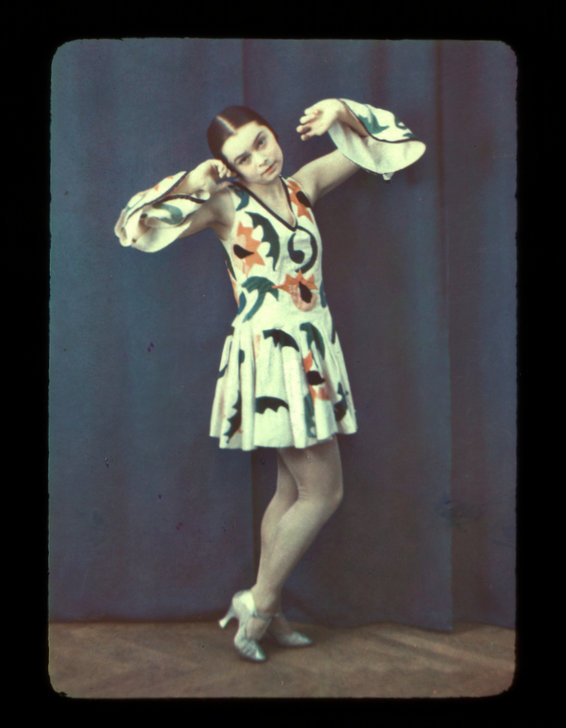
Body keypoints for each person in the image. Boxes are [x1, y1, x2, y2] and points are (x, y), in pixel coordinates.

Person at [115, 98, 425, 662]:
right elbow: (137, 227)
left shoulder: (304, 185)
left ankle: (270, 607)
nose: (260, 159)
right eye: (243, 157)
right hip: (272, 357)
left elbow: (387, 144)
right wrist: (193, 182)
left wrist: (339, 113)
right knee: (323, 492)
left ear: (272, 133)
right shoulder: (223, 204)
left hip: (311, 349)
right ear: (229, 167)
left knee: (291, 492)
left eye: (261, 141)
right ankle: (257, 603)